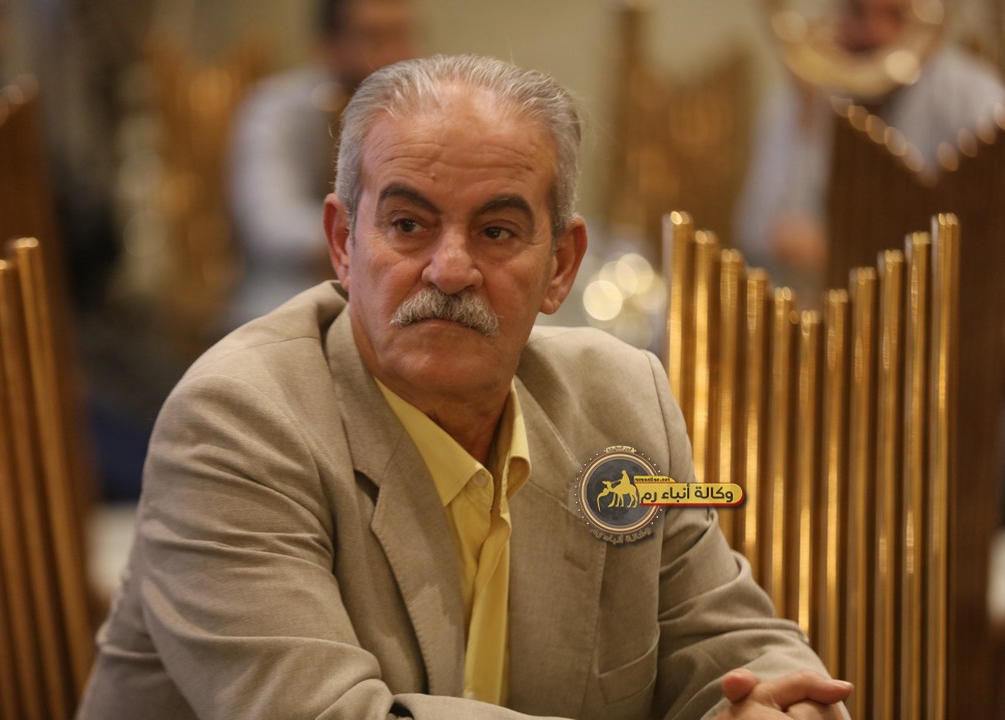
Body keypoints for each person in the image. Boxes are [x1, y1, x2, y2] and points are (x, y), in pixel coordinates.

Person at [78, 54, 851, 719]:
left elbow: (726, 635)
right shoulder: (237, 422)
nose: (450, 270)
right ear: (343, 244)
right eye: (408, 225)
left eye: (496, 231)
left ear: (561, 266)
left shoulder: (622, 402)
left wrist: (775, 702)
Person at [735, 0, 1005, 297]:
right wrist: (807, 121)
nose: (874, 33)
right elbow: (756, 229)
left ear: (935, 28)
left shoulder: (975, 98)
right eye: (857, 12)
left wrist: (848, 252)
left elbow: (996, 235)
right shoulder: (802, 98)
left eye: (897, 16)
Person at [226, 0, 419, 327]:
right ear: (330, 46)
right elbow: (272, 225)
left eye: (401, 36)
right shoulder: (275, 110)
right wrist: (383, 237)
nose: (393, 55)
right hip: (286, 301)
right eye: (374, 37)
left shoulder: (419, 112)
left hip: (391, 299)